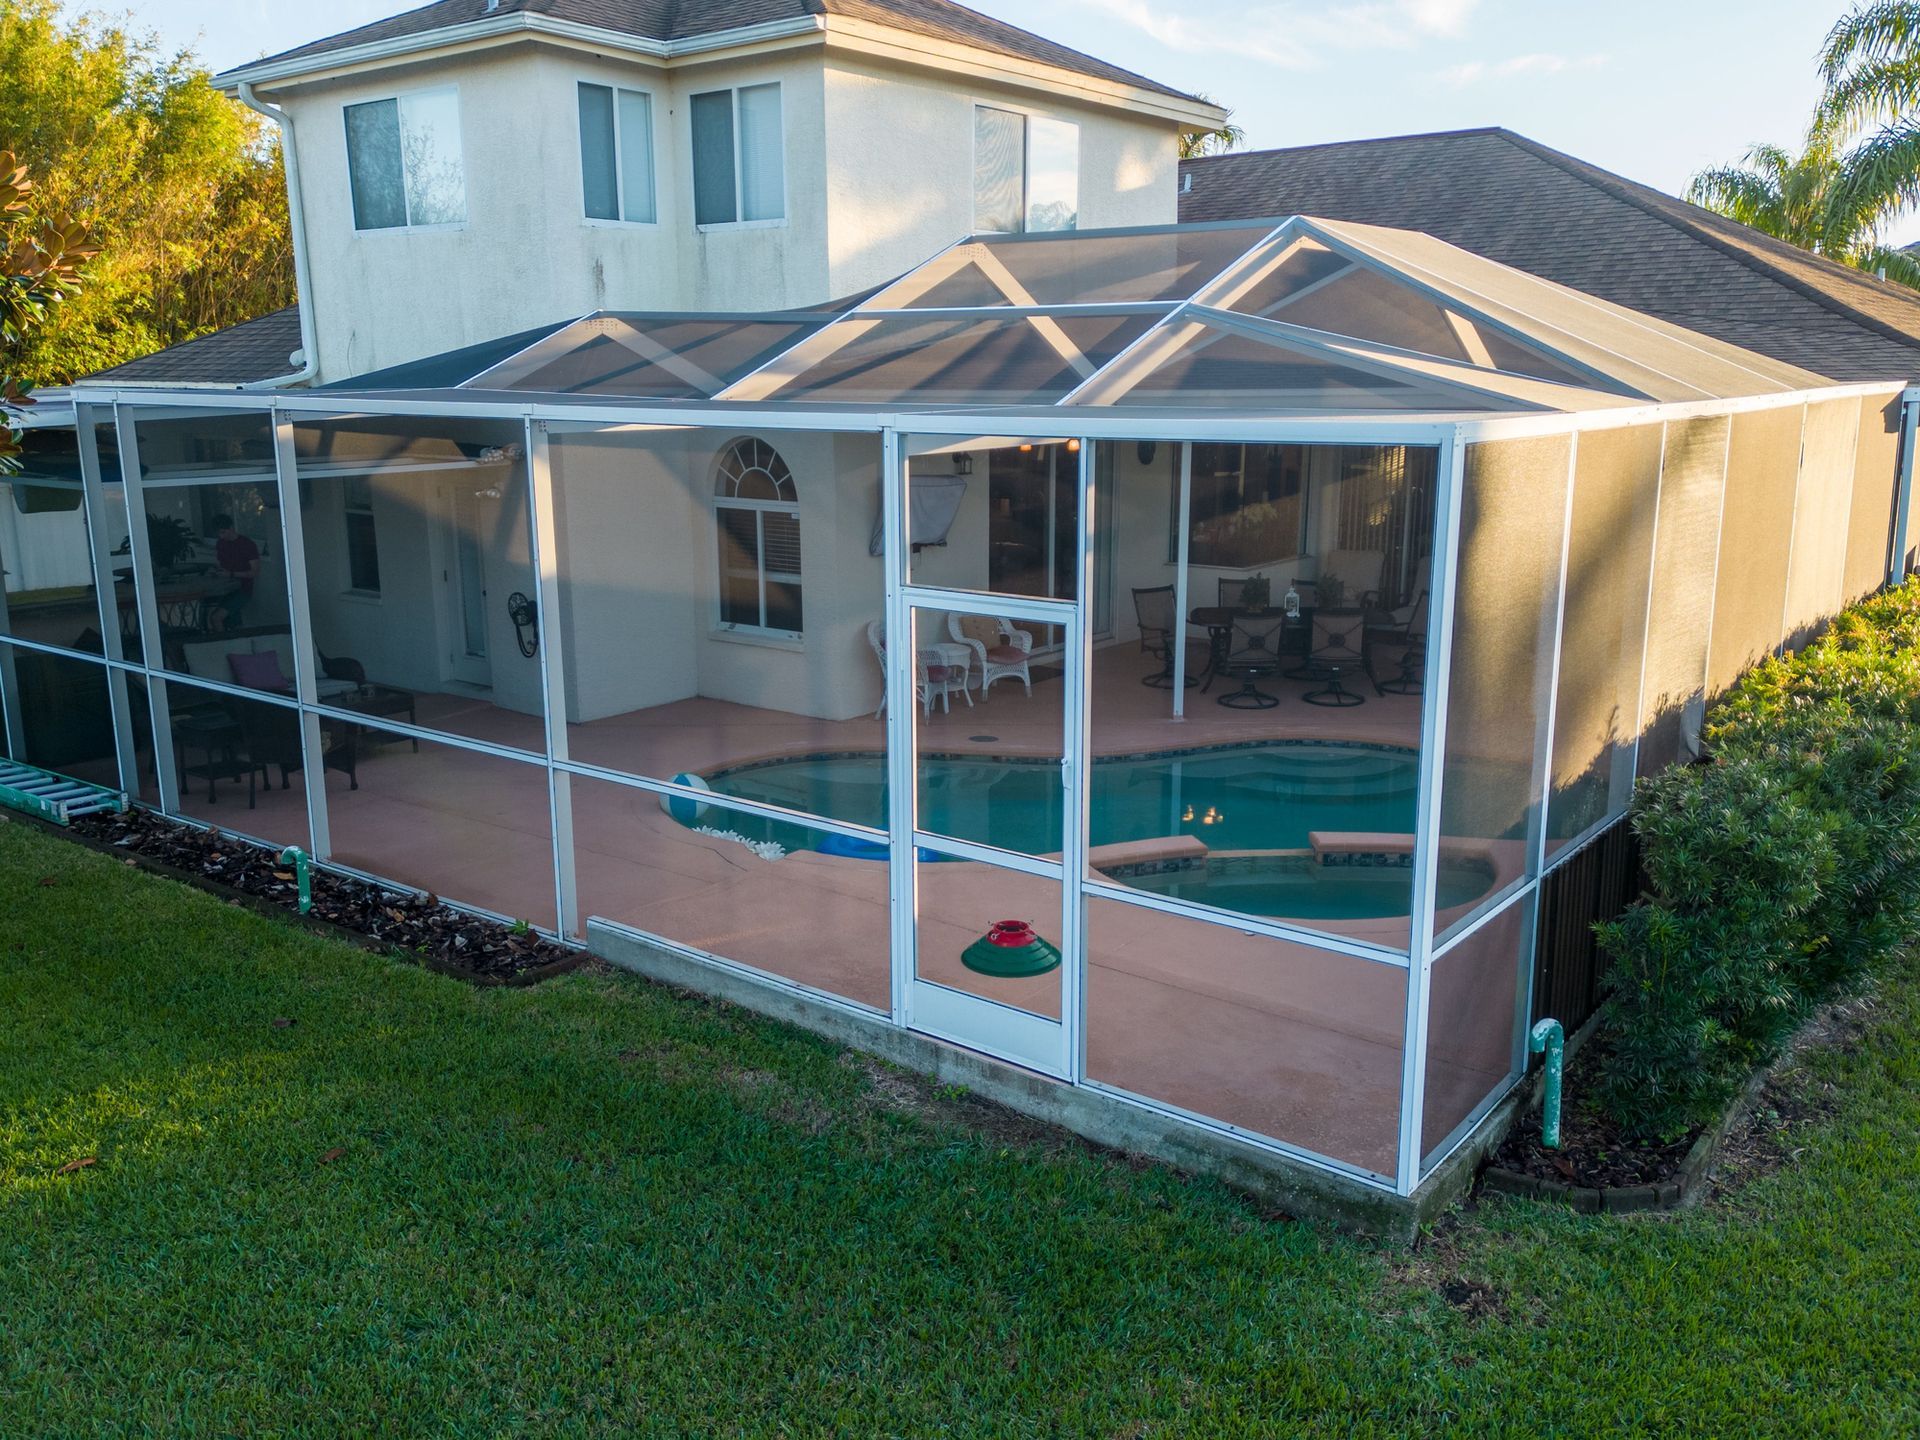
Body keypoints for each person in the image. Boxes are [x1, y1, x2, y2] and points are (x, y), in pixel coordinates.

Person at [211, 514, 261, 631]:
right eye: (219, 533)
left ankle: (224, 640)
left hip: (242, 589)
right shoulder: (221, 543)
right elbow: (221, 564)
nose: (221, 536)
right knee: (233, 622)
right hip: (225, 589)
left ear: (231, 528)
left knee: (216, 618)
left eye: (223, 532)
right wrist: (217, 571)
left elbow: (255, 572)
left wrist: (232, 574)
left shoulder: (247, 544)